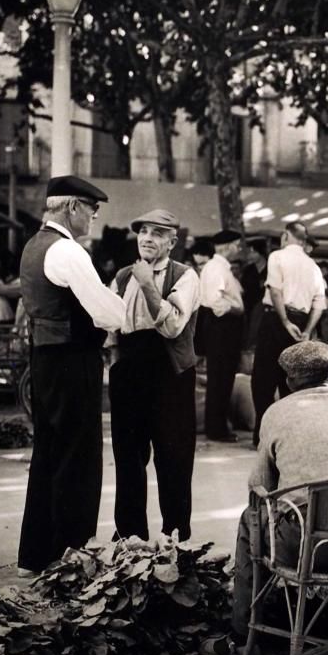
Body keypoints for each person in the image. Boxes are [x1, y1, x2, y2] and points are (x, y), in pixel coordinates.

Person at [200, 340, 328, 655]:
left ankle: (243, 640)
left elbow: (259, 489)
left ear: (289, 382)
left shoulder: (277, 413)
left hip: (308, 549)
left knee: (250, 518)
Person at [17, 176, 127, 575]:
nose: (95, 217)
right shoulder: (68, 251)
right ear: (72, 208)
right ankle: (71, 555)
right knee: (79, 459)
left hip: (44, 359)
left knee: (47, 454)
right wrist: (122, 305)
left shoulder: (33, 245)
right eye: (91, 209)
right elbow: (109, 314)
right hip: (73, 360)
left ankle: (35, 554)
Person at [108, 209, 200, 542]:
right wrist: (115, 362)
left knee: (173, 455)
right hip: (130, 370)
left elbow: (174, 325)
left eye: (158, 233)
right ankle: (130, 537)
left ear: (172, 242)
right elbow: (110, 325)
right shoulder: (121, 276)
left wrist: (148, 285)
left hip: (170, 372)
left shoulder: (185, 276)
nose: (147, 238)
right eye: (143, 231)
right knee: (128, 457)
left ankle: (175, 536)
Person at [250, 221, 326, 448]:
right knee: (292, 379)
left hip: (276, 317)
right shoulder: (314, 266)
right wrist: (307, 330)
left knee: (263, 379)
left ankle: (262, 435)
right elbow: (319, 304)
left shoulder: (277, 257)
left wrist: (284, 321)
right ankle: (289, 435)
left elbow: (275, 290)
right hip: (302, 320)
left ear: (285, 236)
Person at [196, 231, 244, 443]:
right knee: (220, 378)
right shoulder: (216, 268)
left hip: (221, 328)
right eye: (236, 245)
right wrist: (236, 309)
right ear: (226, 246)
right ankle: (216, 428)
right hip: (221, 327)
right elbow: (216, 303)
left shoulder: (220, 267)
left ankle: (216, 425)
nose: (239, 249)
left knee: (222, 378)